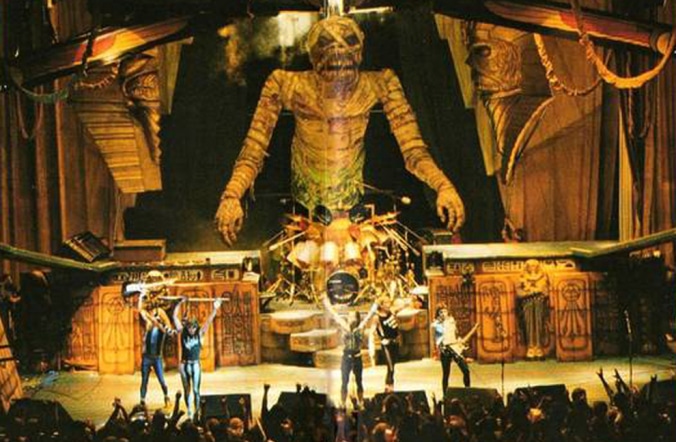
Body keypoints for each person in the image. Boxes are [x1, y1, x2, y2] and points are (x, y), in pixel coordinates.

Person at [172, 297, 223, 420]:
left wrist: (215, 309)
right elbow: (174, 317)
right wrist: (179, 303)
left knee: (196, 390)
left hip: (195, 364)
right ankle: (190, 411)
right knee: (187, 389)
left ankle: (197, 411)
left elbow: (209, 321)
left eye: (193, 327)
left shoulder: (199, 333)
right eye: (189, 327)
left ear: (196, 327)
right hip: (184, 364)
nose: (191, 330)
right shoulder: (183, 331)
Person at [322, 296, 378, 405]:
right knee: (344, 382)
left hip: (357, 357)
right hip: (346, 358)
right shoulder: (345, 326)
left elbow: (369, 316)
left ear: (357, 319)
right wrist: (327, 304)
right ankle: (343, 403)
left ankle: (361, 402)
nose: (350, 318)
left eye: (353, 317)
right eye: (349, 316)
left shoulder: (360, 328)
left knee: (359, 382)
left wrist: (375, 305)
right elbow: (334, 314)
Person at [137, 270, 174, 407]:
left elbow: (168, 330)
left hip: (157, 357)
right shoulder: (147, 316)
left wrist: (161, 324)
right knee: (144, 380)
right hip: (146, 357)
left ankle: (166, 397)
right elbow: (141, 309)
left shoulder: (161, 314)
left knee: (162, 380)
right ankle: (142, 401)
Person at [431, 306, 471, 394]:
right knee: (446, 374)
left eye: (444, 311)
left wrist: (460, 343)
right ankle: (445, 394)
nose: (443, 314)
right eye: (441, 312)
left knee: (466, 370)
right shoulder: (437, 324)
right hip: (445, 349)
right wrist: (440, 348)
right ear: (438, 314)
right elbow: (437, 339)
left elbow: (456, 333)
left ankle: (468, 391)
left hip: (455, 347)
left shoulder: (451, 321)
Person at [372, 295, 408, 392]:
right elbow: (373, 331)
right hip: (386, 344)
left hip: (395, 343)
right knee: (390, 367)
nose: (388, 305)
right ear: (381, 305)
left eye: (389, 302)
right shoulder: (377, 317)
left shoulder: (392, 312)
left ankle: (390, 387)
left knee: (392, 368)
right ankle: (388, 387)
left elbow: (402, 306)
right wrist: (378, 340)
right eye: (386, 303)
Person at [517, 259, 550, 359]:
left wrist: (538, 291)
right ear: (526, 267)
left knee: (539, 324)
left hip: (539, 303)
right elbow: (519, 293)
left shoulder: (543, 277)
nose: (532, 268)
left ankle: (538, 347)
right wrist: (529, 293)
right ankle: (530, 347)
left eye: (534, 266)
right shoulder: (522, 278)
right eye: (530, 266)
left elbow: (545, 292)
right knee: (529, 325)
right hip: (527, 303)